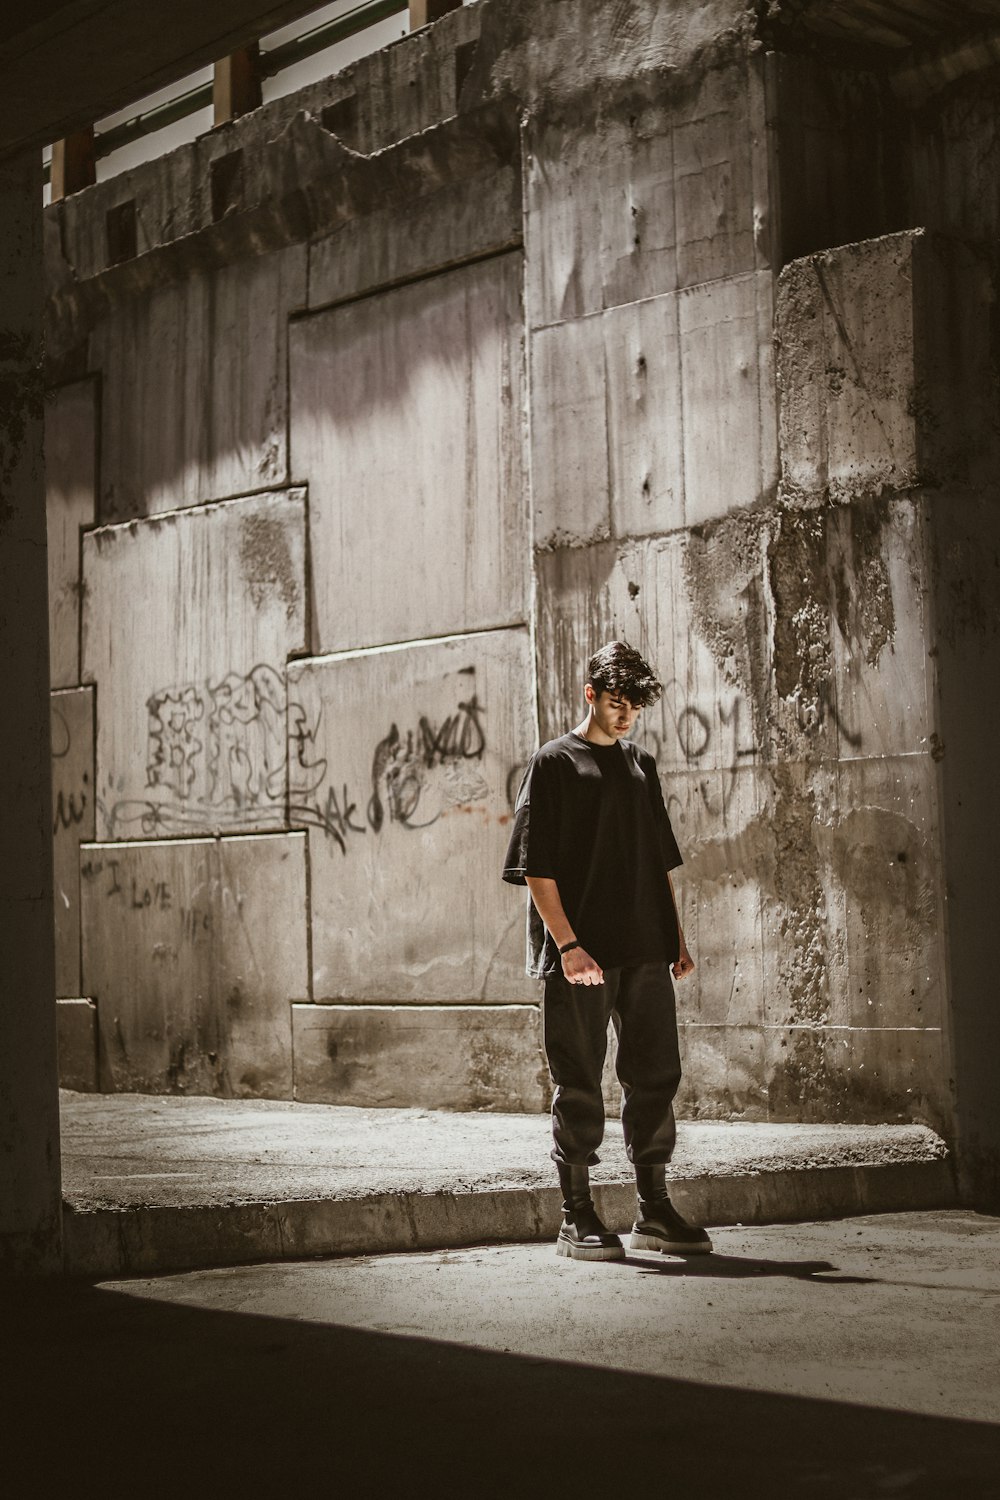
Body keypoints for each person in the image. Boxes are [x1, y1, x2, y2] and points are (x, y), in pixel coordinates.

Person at [502, 640, 712, 1261]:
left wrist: (675, 939)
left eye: (635, 708)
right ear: (590, 694)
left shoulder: (641, 766)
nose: (625, 717)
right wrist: (567, 945)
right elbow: (536, 868)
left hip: (645, 948)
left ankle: (654, 1210)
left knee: (654, 1077)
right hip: (582, 955)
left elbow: (659, 865)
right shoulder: (554, 764)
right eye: (616, 703)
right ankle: (577, 1213)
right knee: (579, 1079)